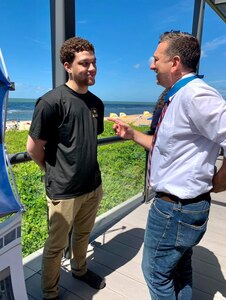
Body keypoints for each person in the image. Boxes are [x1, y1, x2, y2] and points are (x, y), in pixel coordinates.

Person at [108, 30, 226, 299]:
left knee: (155, 272)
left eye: (155, 59)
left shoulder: (195, 96)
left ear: (174, 63)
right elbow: (167, 147)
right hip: (182, 208)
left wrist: (221, 180)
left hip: (176, 210)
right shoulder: (179, 96)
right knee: (178, 267)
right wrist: (132, 134)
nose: (151, 65)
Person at [27, 36, 105, 300]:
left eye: (93, 62)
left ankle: (80, 270)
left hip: (92, 186)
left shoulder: (96, 103)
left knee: (83, 235)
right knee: (56, 245)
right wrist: (53, 173)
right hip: (64, 191)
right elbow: (33, 148)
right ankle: (50, 293)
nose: (92, 68)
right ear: (67, 66)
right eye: (85, 63)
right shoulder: (51, 102)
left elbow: (86, 140)